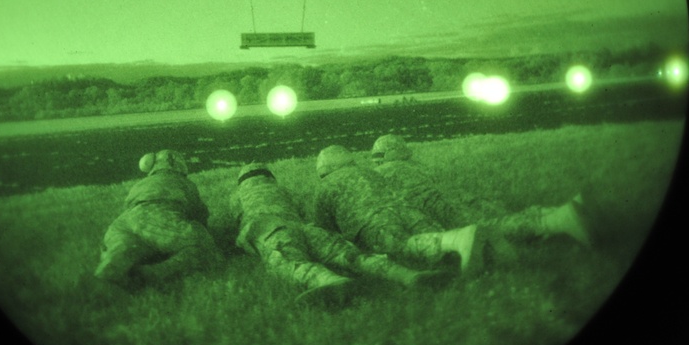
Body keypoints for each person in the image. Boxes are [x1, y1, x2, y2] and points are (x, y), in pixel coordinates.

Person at [229, 162, 449, 307]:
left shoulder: (237, 197)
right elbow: (305, 213)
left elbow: (236, 224)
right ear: (269, 177)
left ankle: (330, 280)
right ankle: (406, 275)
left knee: (290, 262)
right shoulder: (284, 191)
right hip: (306, 229)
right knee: (354, 257)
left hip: (270, 230)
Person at [370, 134, 591, 248]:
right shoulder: (416, 166)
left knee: (489, 229)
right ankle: (555, 212)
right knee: (501, 218)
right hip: (463, 199)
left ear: (384, 155)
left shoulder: (383, 173)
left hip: (440, 209)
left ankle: (556, 221)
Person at [312, 145, 491, 274]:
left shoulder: (325, 186)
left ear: (324, 169)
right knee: (431, 240)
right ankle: (483, 257)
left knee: (405, 247)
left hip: (374, 222)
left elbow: (324, 229)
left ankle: (457, 239)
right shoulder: (371, 172)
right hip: (406, 209)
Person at [94, 149, 222, 289]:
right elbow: (200, 215)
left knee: (125, 248)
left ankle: (108, 272)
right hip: (160, 215)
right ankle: (152, 275)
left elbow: (129, 206)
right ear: (178, 164)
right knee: (203, 245)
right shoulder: (184, 182)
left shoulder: (141, 183)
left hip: (123, 222)